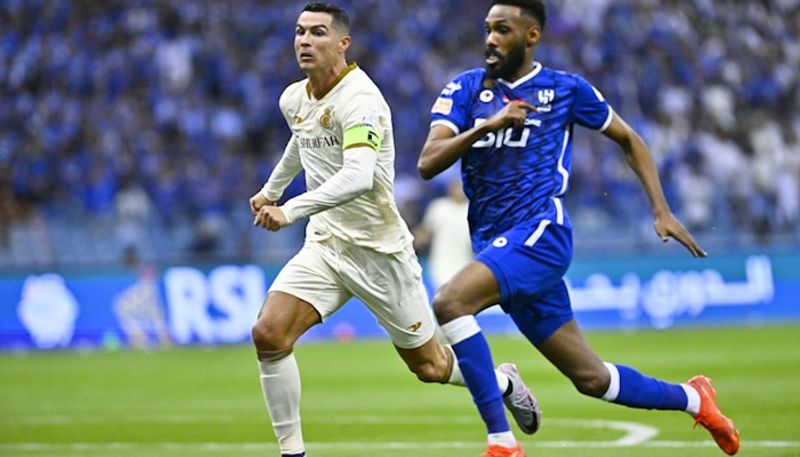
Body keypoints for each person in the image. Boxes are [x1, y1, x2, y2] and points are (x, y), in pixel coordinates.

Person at [417, 1, 740, 456]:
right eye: (488, 29)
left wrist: (661, 210)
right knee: (592, 379)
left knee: (450, 301)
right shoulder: (467, 89)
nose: (490, 39)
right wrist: (487, 126)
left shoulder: (564, 89)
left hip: (541, 234)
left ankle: (501, 442)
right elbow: (428, 162)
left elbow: (630, 138)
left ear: (531, 36)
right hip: (497, 243)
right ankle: (695, 399)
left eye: (503, 30)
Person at [249, 4, 540, 456]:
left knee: (429, 366)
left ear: (343, 43)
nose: (305, 40)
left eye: (318, 33)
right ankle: (293, 453)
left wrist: (291, 209)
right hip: (326, 245)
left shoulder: (361, 100)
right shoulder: (294, 97)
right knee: (269, 334)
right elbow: (302, 137)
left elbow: (358, 176)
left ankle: (503, 383)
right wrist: (271, 189)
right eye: (300, 32)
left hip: (380, 252)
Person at [414, 179, 473, 289]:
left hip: (465, 260)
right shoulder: (439, 207)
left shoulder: (471, 209)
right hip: (440, 260)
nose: (459, 191)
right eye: (456, 188)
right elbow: (425, 230)